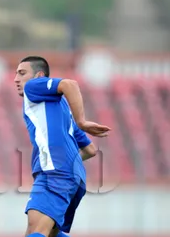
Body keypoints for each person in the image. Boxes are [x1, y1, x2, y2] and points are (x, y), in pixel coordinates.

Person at [13, 56, 111, 237]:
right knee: (49, 233)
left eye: (22, 73)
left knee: (35, 231)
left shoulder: (32, 87)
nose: (16, 79)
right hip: (74, 177)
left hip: (54, 173)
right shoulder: (63, 111)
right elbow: (91, 150)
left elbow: (70, 84)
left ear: (39, 76)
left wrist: (82, 121)